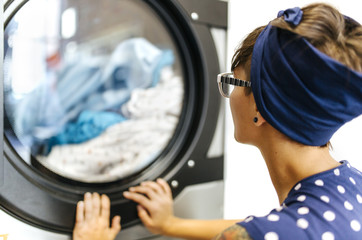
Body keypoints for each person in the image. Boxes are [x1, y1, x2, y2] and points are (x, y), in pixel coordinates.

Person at [73, 3, 362, 239]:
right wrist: (170, 225)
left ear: (260, 108)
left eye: (234, 82)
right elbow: (261, 229)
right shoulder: (351, 185)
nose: (228, 94)